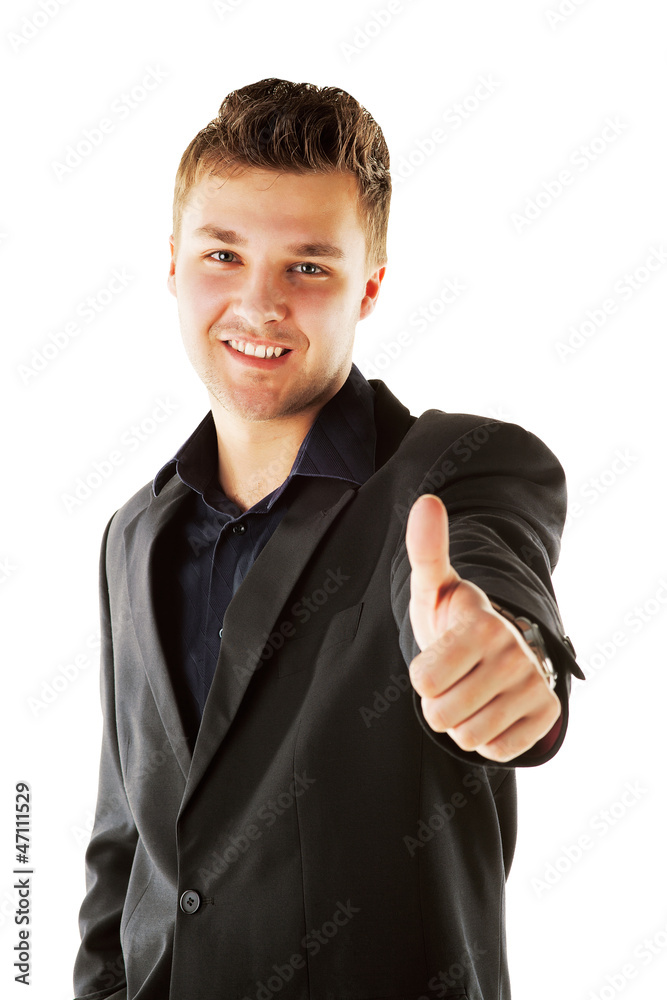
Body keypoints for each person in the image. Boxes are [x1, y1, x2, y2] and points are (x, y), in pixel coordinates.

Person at [72, 77, 583, 1000]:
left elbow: (489, 580)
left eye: (307, 267)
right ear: (175, 265)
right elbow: (125, 846)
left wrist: (510, 661)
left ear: (369, 287)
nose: (259, 304)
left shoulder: (459, 469)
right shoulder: (132, 534)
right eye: (223, 254)